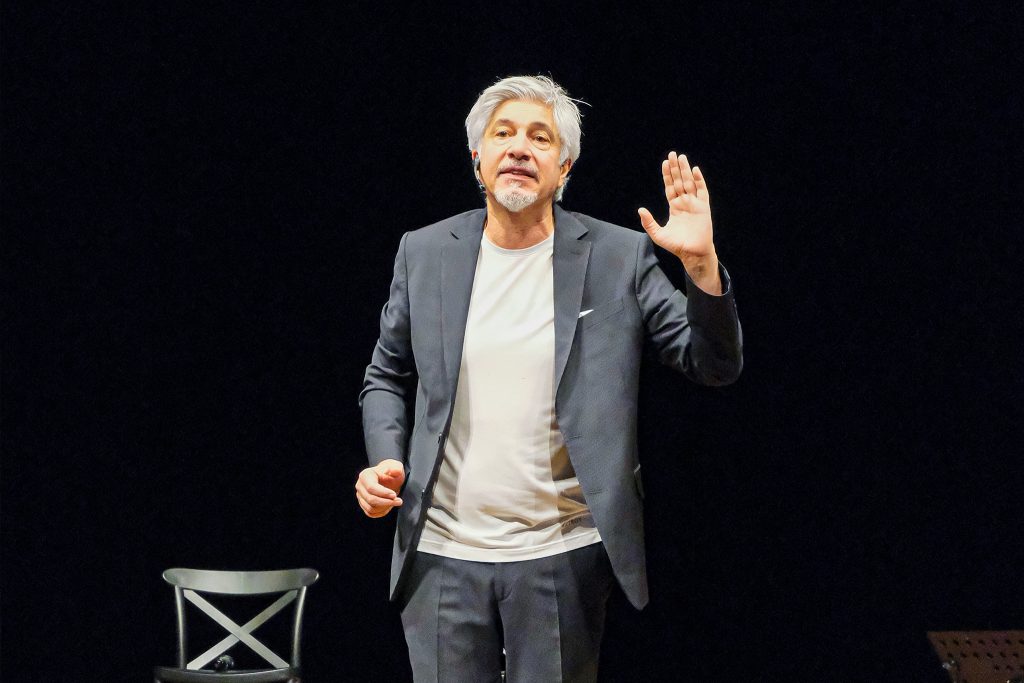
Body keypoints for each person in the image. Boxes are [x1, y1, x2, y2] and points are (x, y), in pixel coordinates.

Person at [356, 75, 742, 682]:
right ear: (477, 157)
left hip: (561, 555)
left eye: (540, 138)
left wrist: (700, 265)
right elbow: (385, 374)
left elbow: (712, 364)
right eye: (503, 134)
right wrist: (383, 460)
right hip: (440, 555)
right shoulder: (425, 252)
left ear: (564, 168)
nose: (519, 147)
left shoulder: (618, 255)